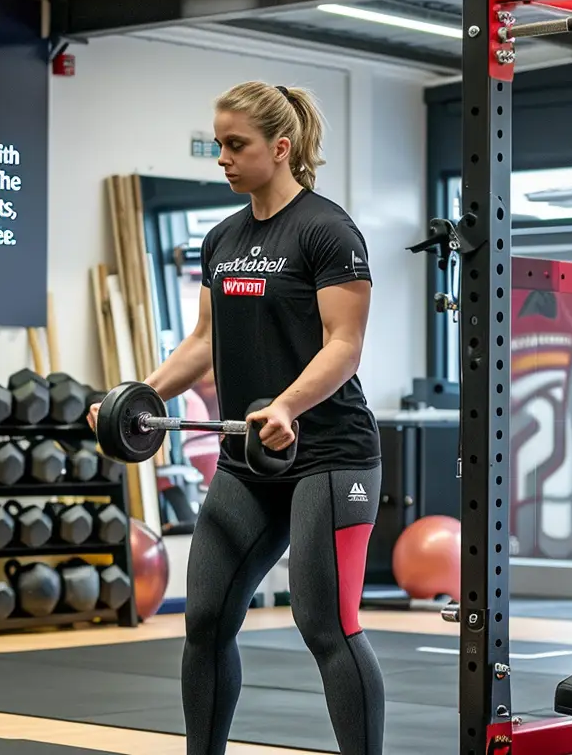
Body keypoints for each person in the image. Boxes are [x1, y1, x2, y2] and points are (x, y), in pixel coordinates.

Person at [89, 81, 384, 754]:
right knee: (207, 620)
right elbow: (201, 344)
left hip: (329, 454)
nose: (221, 157)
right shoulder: (222, 237)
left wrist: (286, 405)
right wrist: (136, 396)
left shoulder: (326, 230)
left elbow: (344, 343)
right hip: (248, 457)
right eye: (219, 143)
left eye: (235, 144)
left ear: (280, 149)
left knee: (325, 625)